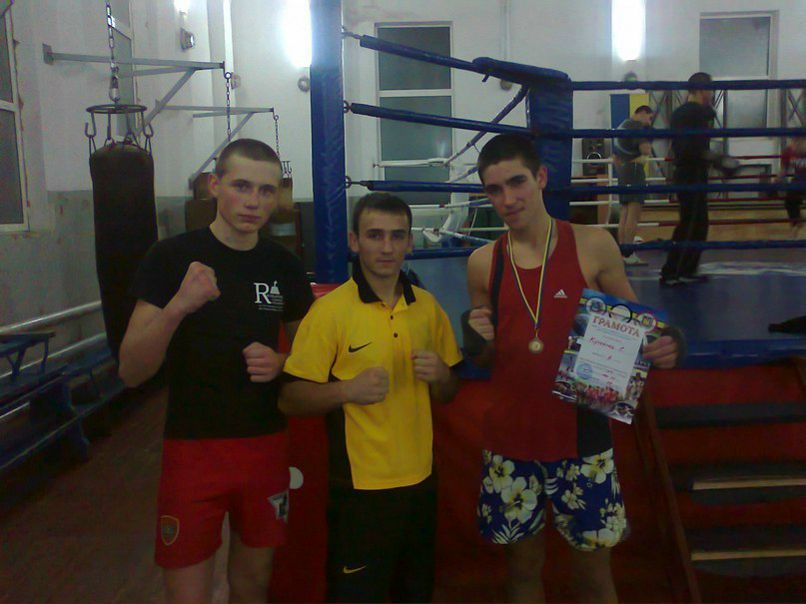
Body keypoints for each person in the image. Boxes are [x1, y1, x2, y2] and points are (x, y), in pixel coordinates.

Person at [464, 134, 680, 604]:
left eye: (517, 182)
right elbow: (486, 356)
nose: (508, 199)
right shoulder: (483, 262)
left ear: (541, 177)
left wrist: (669, 344)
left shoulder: (592, 244)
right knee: (523, 570)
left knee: (594, 575)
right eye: (495, 190)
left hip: (583, 441)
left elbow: (639, 326)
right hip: (511, 442)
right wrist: (475, 338)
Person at [118, 139, 314, 603]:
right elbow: (131, 370)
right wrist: (179, 306)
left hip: (264, 444)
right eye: (241, 186)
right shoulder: (170, 258)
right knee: (188, 594)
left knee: (253, 584)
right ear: (214, 185)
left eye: (266, 191)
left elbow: (315, 357)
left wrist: (284, 362)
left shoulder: (284, 265)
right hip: (193, 447)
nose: (254, 201)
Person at [279, 193, 463, 604]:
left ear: (410, 242)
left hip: (421, 482)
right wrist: (346, 390)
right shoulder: (329, 312)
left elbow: (449, 393)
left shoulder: (427, 308)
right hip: (359, 488)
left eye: (397, 236)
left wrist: (441, 376)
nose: (386, 247)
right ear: (354, 241)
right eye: (375, 235)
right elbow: (290, 399)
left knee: (415, 592)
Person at [660, 72, 717, 286]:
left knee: (699, 222)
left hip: (693, 171)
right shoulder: (690, 113)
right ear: (702, 90)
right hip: (690, 172)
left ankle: (687, 269)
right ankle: (671, 271)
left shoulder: (690, 112)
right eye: (710, 90)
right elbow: (689, 148)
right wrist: (715, 159)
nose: (712, 95)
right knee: (690, 222)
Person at [612, 105, 654, 265]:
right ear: (642, 113)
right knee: (633, 213)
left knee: (624, 212)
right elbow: (646, 150)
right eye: (649, 117)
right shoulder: (636, 126)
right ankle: (629, 253)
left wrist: (623, 169)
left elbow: (615, 157)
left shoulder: (622, 125)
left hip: (623, 170)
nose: (649, 122)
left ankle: (623, 252)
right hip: (635, 170)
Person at [779, 135, 805, 236]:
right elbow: (783, 170)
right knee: (789, 200)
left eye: (800, 141)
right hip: (798, 181)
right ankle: (796, 223)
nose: (796, 144)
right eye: (795, 140)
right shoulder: (788, 152)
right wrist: (777, 179)